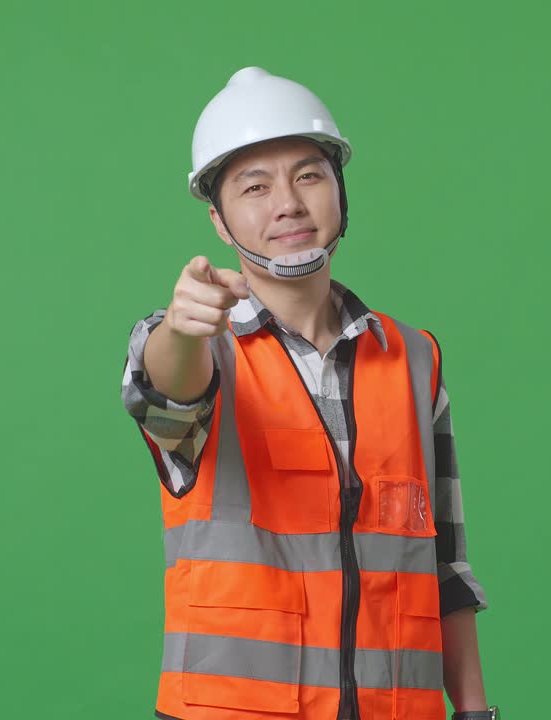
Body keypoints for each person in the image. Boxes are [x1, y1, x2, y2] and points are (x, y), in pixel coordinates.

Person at [121, 67, 497, 720]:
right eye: (255, 187)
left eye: (309, 175)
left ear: (341, 192)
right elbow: (164, 398)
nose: (288, 204)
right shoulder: (201, 351)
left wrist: (474, 711)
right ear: (218, 219)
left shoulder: (413, 360)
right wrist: (181, 329)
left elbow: (445, 570)